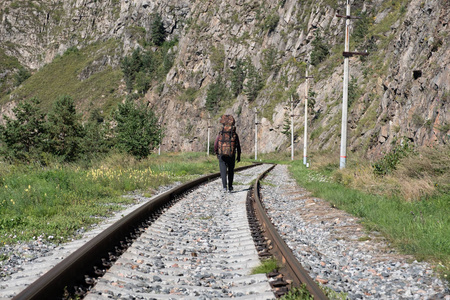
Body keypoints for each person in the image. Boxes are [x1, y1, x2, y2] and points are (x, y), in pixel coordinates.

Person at [214, 115, 241, 193]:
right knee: (231, 171)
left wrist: (217, 153)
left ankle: (224, 187)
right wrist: (238, 156)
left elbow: (216, 144)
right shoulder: (234, 134)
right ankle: (230, 187)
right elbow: (238, 146)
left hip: (222, 155)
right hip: (231, 155)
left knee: (223, 172)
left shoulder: (221, 134)